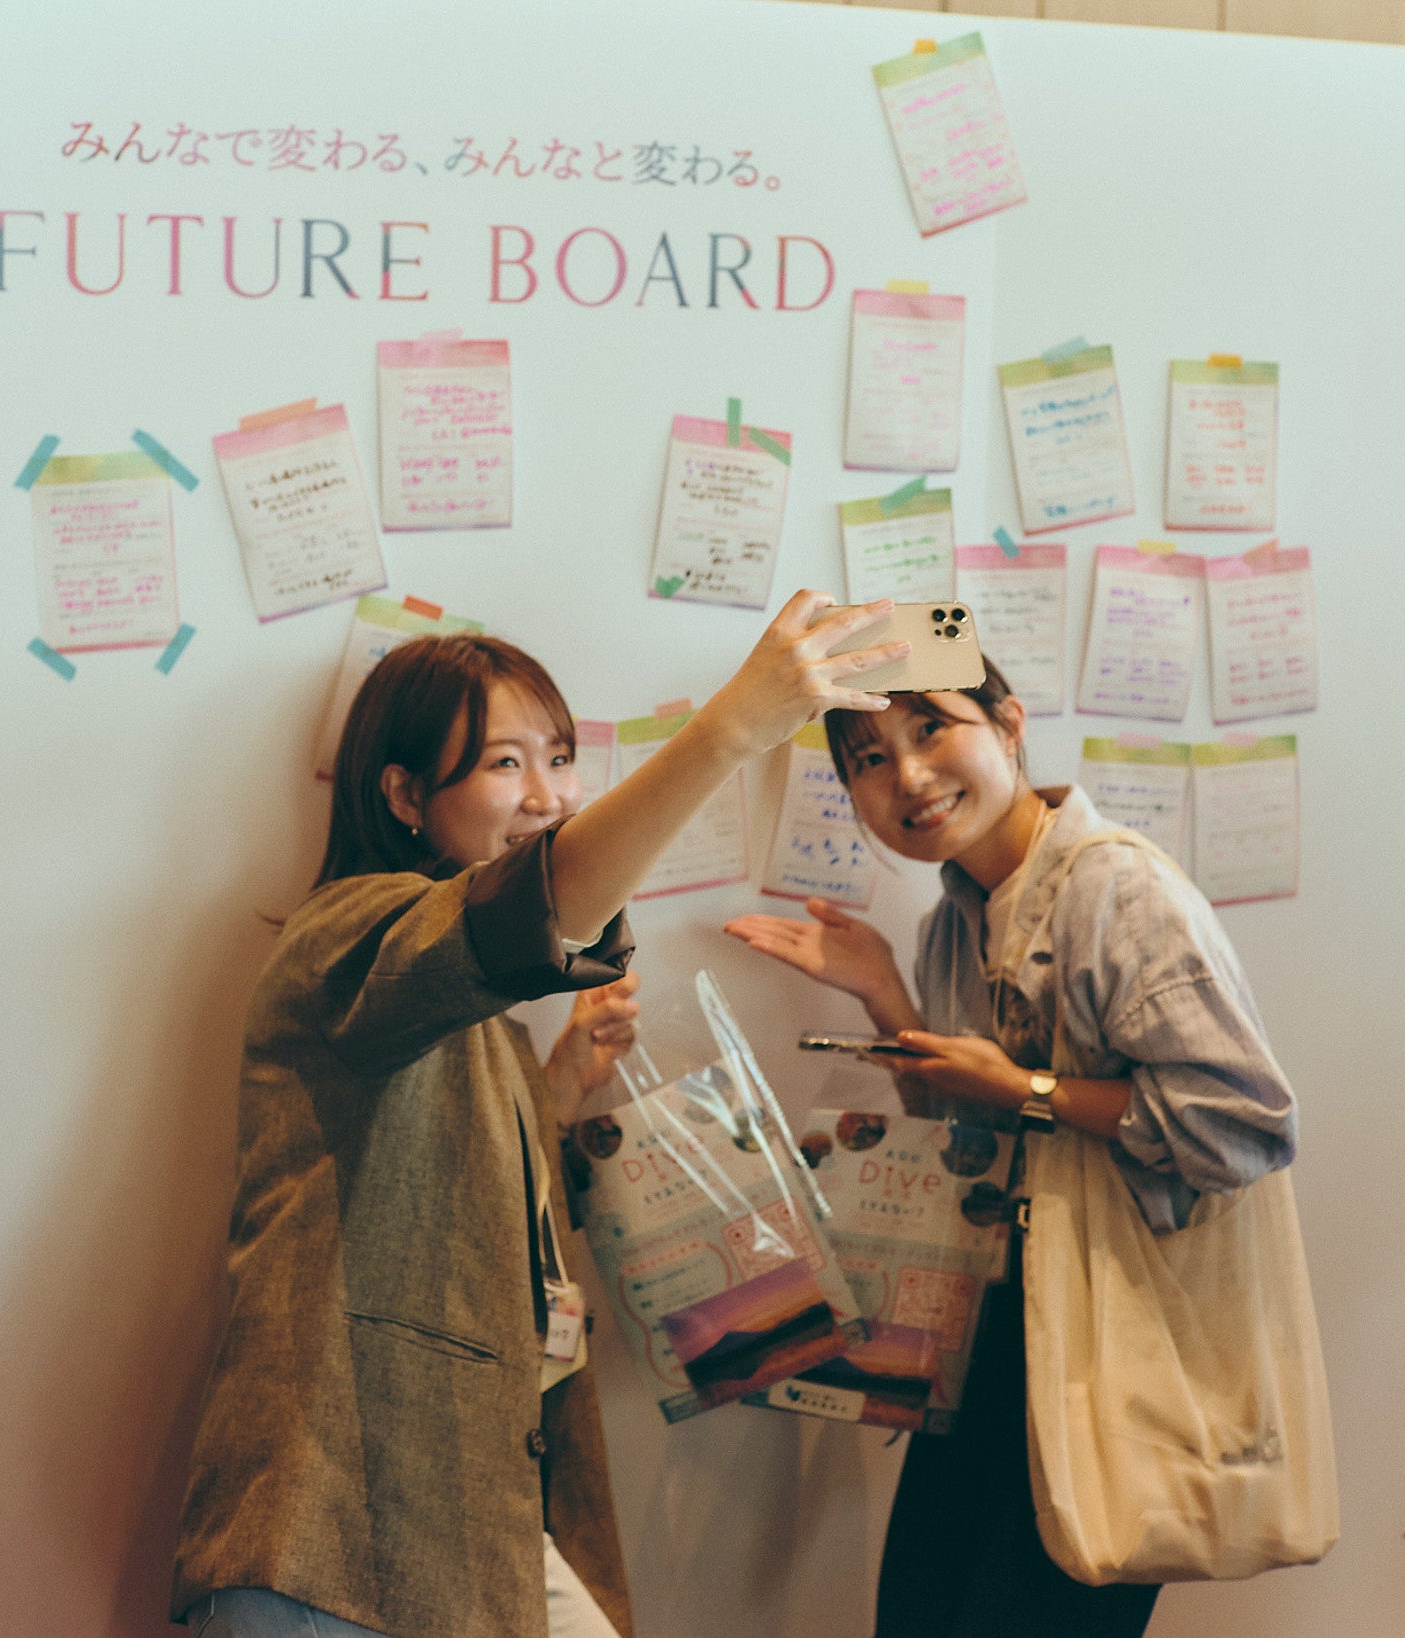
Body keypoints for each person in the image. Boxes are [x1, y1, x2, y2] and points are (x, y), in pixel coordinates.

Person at [172, 592, 905, 1638]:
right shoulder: (346, 933)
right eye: (504, 763)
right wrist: (731, 728)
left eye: (558, 758)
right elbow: (526, 913)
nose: (547, 795)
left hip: (462, 1520)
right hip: (335, 1533)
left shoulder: (479, 1020)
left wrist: (556, 1092)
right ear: (404, 792)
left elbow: (444, 1188)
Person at [724, 658, 1300, 1638]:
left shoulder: (1118, 890)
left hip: (1107, 1349)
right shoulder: (952, 925)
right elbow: (969, 1153)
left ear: (1008, 725)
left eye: (930, 729)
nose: (907, 776)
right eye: (868, 759)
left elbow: (1245, 1123)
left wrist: (1027, 1089)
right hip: (996, 1340)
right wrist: (889, 998)